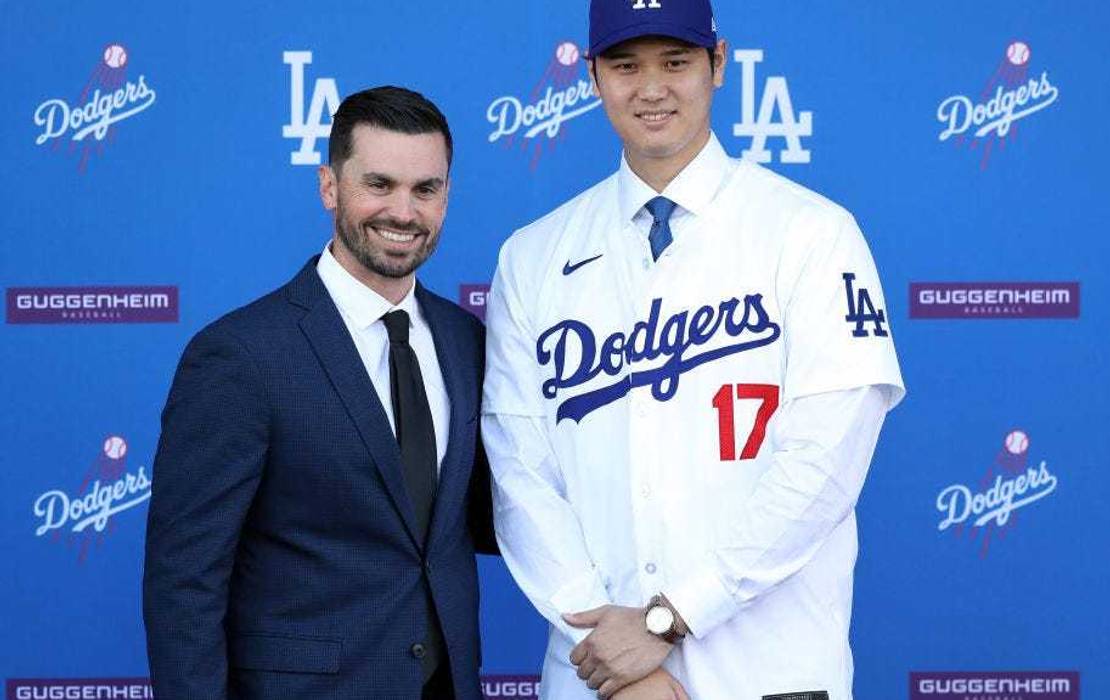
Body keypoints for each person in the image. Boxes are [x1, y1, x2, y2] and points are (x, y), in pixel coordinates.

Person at [482, 0, 905, 698]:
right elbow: (520, 476)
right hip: (598, 679)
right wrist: (614, 654)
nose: (650, 88)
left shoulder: (812, 234)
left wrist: (670, 617)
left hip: (766, 669)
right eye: (625, 65)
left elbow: (823, 464)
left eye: (674, 62)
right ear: (591, 76)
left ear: (718, 63)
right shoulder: (532, 256)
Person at [143, 86, 496, 700]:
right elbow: (184, 583)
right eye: (379, 185)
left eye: (425, 189)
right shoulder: (240, 356)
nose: (404, 213)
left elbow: (485, 519)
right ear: (329, 186)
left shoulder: (466, 340)